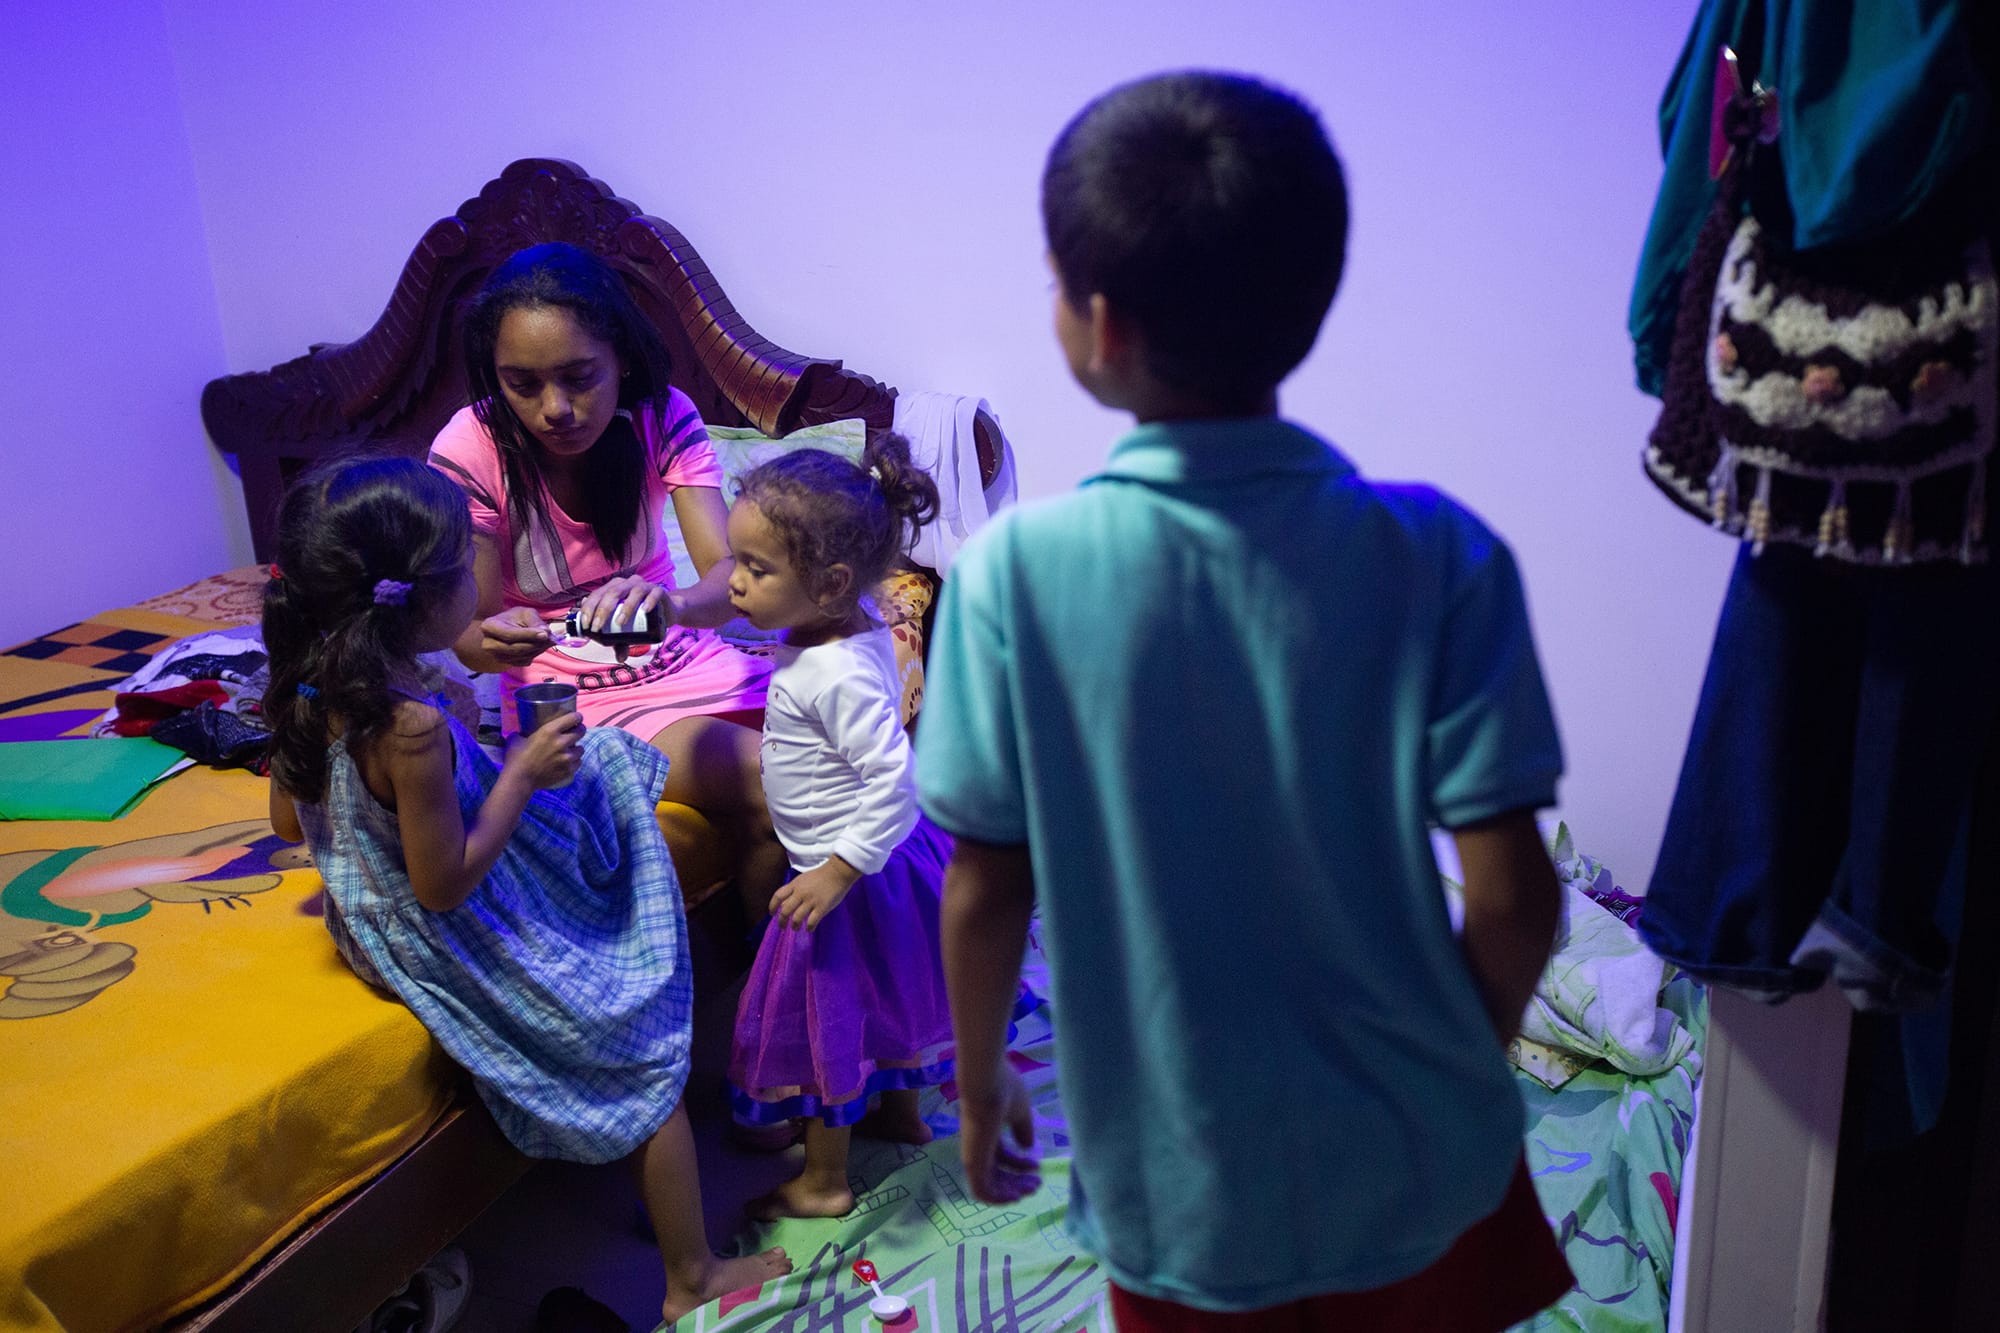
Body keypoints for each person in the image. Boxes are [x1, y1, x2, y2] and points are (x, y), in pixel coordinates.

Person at [919, 72, 1576, 1330]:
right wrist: (1447, 1069)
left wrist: (978, 1074)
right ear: (1310, 299)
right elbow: (1511, 895)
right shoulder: (1439, 550)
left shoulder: (1009, 576)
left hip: (1188, 1196)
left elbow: (986, 883)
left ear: (1096, 323)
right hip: (1424, 1168)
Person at [260, 456, 789, 1324]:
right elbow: (442, 885)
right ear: (422, 598)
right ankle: (691, 1272)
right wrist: (518, 775)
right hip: (440, 923)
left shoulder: (314, 681)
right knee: (633, 1028)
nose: (478, 583)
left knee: (605, 771)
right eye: (463, 571)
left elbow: (289, 824)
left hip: (365, 918)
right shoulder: (412, 726)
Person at [428, 241, 784, 911]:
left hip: (690, 661)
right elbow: (468, 638)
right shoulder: (469, 447)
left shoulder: (663, 415)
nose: (555, 407)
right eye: (522, 383)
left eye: (579, 375)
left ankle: (757, 968)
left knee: (854, 749)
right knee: (785, 782)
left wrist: (673, 604)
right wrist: (497, 633)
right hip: (573, 705)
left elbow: (730, 578)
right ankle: (762, 987)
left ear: (619, 356)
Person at [720, 433, 957, 1219]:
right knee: (897, 991)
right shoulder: (848, 627)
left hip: (850, 871)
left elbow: (896, 777)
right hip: (888, 863)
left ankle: (823, 1180)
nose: (735, 582)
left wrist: (836, 871)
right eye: (736, 561)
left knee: (831, 1023)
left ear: (829, 582)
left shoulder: (833, 672)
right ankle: (902, 1113)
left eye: (756, 570)